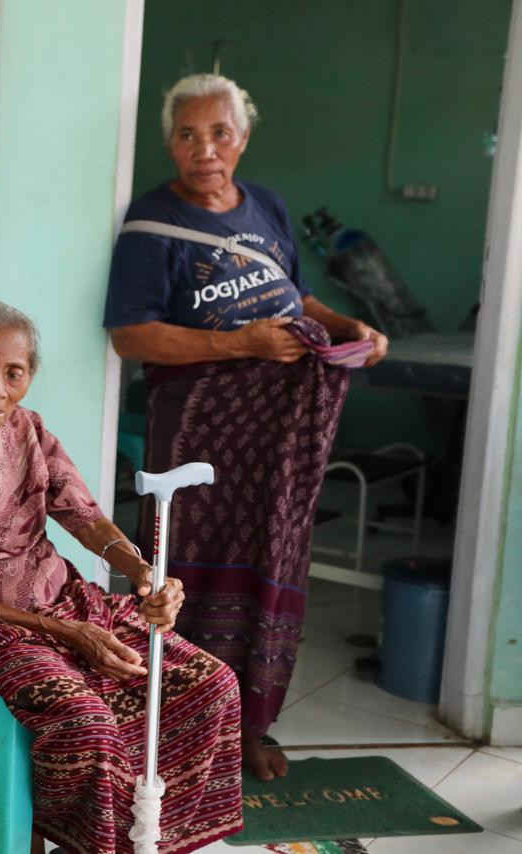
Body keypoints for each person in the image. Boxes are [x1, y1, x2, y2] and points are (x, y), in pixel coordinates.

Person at [0, 300, 243, 854]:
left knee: (210, 683)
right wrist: (67, 636)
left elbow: (82, 513)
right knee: (86, 724)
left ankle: (152, 838)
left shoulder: (27, 428)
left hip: (63, 600)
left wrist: (144, 573)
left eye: (14, 372)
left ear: (31, 376)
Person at [104, 73, 388, 781]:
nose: (204, 149)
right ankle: (170, 725)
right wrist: (242, 345)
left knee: (270, 561)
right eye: (187, 134)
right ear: (169, 142)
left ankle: (251, 727)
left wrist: (349, 327)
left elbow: (299, 296)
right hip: (199, 429)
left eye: (219, 132)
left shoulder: (267, 206)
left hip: (277, 439)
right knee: (181, 570)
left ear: (244, 137)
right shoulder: (150, 227)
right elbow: (131, 336)